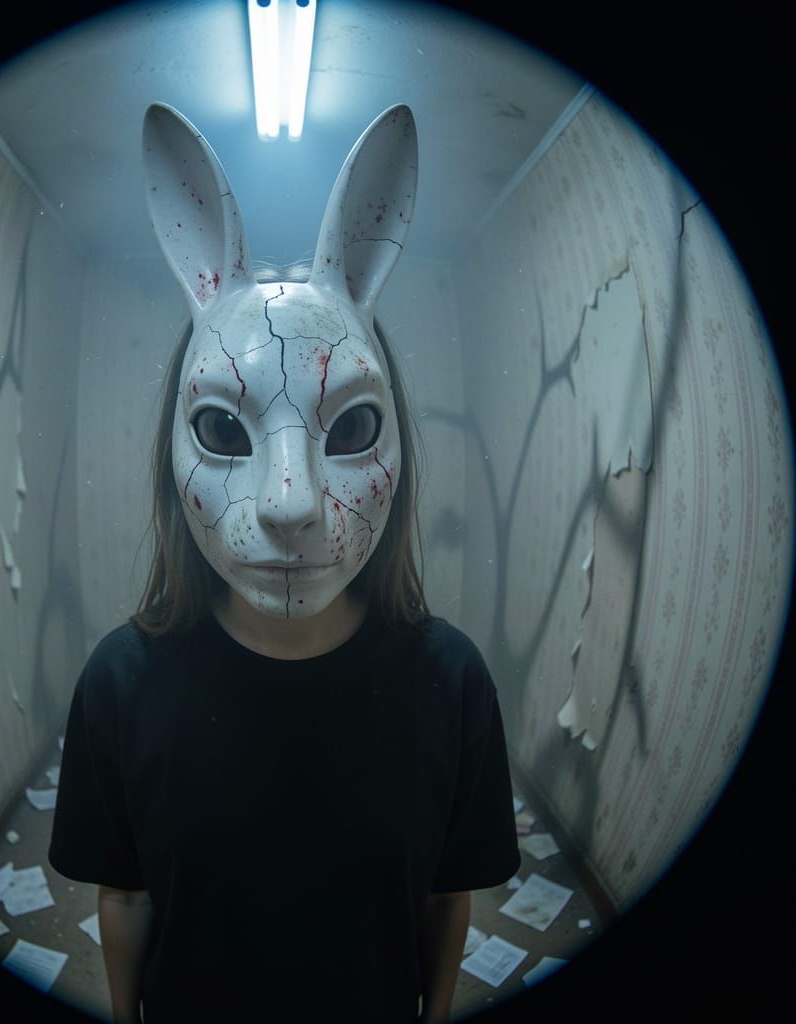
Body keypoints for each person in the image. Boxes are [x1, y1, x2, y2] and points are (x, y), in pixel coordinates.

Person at [49, 102, 520, 1024]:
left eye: (350, 428)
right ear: (171, 449)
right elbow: (126, 898)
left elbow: (442, 900)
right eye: (224, 429)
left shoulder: (453, 685)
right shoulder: (118, 685)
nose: (291, 505)